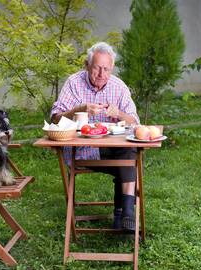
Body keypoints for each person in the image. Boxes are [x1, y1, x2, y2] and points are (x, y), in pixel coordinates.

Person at [50, 42, 140, 232]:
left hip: (115, 152)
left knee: (130, 150)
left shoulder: (119, 87)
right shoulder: (74, 83)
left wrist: (120, 115)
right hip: (82, 153)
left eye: (106, 69)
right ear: (87, 65)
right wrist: (79, 109)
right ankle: (124, 211)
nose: (101, 74)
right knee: (129, 160)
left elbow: (134, 122)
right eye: (97, 68)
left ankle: (125, 214)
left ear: (112, 68)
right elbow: (55, 120)